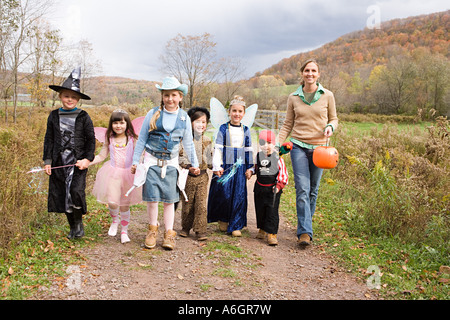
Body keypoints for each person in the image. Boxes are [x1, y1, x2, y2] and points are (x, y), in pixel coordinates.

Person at [131, 77, 199, 250]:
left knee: (169, 200)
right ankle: (152, 229)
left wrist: (194, 163)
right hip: (152, 162)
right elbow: (142, 140)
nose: (170, 99)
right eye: (166, 95)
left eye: (174, 95)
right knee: (152, 200)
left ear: (180, 97)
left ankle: (169, 233)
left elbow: (189, 143)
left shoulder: (184, 118)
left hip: (171, 164)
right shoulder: (153, 114)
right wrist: (135, 160)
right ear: (162, 96)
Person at [277, 59, 338, 246]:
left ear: (318, 74)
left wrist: (330, 127)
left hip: (320, 149)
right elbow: (288, 123)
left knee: (313, 189)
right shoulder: (293, 97)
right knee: (302, 188)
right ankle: (305, 232)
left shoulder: (327, 95)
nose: (310, 74)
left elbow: (334, 119)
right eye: (307, 70)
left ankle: (305, 222)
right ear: (302, 74)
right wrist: (276, 144)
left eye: (313, 71)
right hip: (298, 146)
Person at [43, 67, 96, 239]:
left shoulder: (83, 117)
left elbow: (90, 140)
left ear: (78, 99)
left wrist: (87, 159)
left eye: (73, 97)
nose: (70, 99)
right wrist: (48, 160)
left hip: (77, 162)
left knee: (75, 191)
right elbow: (49, 139)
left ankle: (78, 223)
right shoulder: (53, 116)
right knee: (63, 194)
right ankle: (72, 227)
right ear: (60, 96)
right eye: (66, 96)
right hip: (60, 162)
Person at [90, 109, 142, 243]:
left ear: (127, 124)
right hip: (113, 173)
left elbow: (139, 155)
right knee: (113, 202)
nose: (118, 126)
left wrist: (138, 165)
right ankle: (115, 220)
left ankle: (124, 231)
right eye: (115, 123)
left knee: (125, 205)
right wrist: (88, 162)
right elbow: (102, 155)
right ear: (111, 124)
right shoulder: (110, 139)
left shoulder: (132, 139)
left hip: (128, 174)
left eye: (122, 123)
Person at [207, 95, 254, 237]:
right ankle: (223, 219)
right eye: (234, 111)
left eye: (240, 111)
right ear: (229, 112)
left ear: (244, 114)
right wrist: (217, 165)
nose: (237, 114)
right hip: (226, 166)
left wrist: (250, 168)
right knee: (224, 192)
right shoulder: (223, 128)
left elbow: (248, 149)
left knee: (238, 194)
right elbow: (218, 148)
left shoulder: (245, 130)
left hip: (239, 167)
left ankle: (236, 224)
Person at [179, 107, 213, 241]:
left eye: (203, 122)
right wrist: (188, 166)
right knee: (187, 204)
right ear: (190, 123)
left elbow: (210, 160)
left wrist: (215, 166)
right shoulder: (185, 140)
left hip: (203, 177)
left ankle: (200, 230)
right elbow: (180, 157)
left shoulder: (208, 140)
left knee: (201, 204)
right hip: (188, 176)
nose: (201, 125)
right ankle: (185, 227)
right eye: (197, 121)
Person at [250, 130, 288, 246]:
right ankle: (262, 228)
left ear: (274, 144)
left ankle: (271, 233)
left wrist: (279, 186)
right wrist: (250, 172)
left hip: (273, 189)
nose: (266, 146)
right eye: (262, 143)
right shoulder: (258, 156)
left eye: (269, 142)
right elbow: (255, 168)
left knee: (271, 211)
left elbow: (283, 175)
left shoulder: (278, 158)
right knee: (260, 209)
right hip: (260, 187)